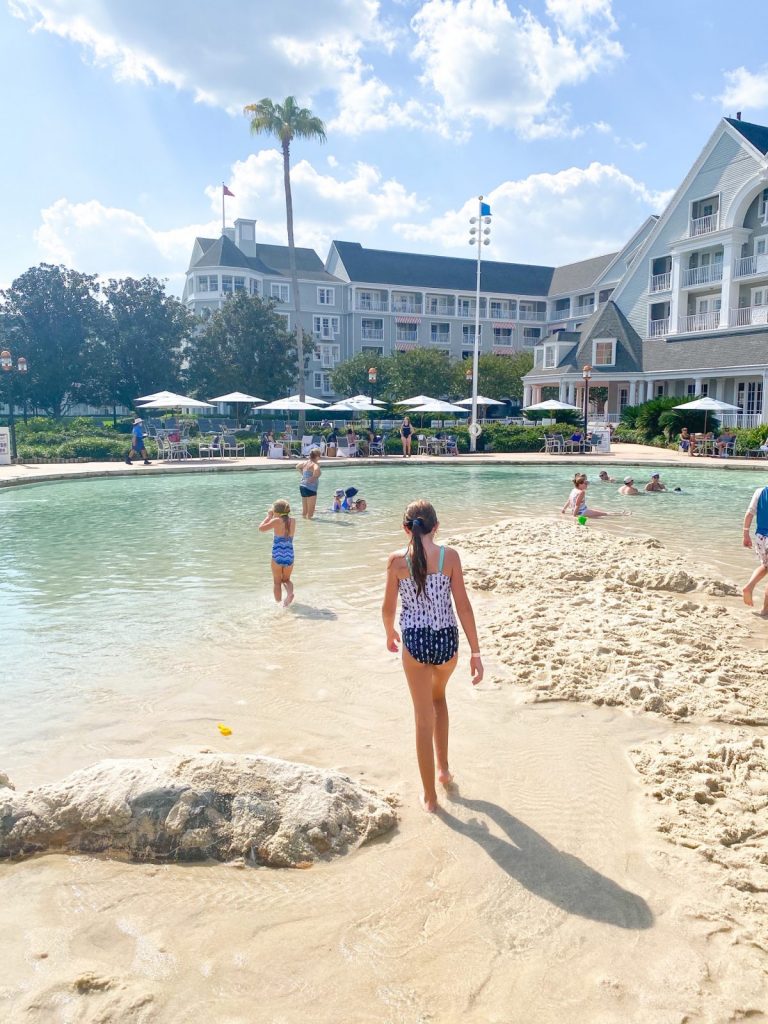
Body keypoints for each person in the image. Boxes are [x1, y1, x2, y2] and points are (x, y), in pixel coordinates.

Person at [381, 500, 483, 812]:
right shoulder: (449, 556)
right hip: (446, 642)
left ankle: (430, 798)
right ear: (436, 527)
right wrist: (476, 652)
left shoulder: (397, 561)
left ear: (405, 528)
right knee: (439, 699)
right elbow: (463, 607)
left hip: (415, 641)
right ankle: (444, 770)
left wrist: (390, 633)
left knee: (422, 719)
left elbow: (387, 609)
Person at [259, 499, 296, 607]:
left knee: (277, 582)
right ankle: (290, 594)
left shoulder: (276, 521)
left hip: (277, 554)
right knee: (286, 580)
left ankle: (279, 604)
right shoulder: (293, 521)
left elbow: (261, 528)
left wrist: (269, 516)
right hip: (290, 554)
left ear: (276, 512)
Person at [742, 484, 768, 615]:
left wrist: (746, 533)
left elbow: (749, 513)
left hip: (760, 538)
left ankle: (750, 586)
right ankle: (765, 610)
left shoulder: (760, 491)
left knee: (765, 566)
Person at [296, 447, 322, 518]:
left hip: (302, 486)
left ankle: (304, 524)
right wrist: (314, 477)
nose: (319, 458)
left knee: (304, 511)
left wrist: (303, 474)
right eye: (319, 456)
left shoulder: (305, 463)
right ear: (316, 456)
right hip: (310, 488)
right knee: (310, 513)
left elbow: (297, 466)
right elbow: (317, 470)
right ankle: (309, 527)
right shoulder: (315, 464)